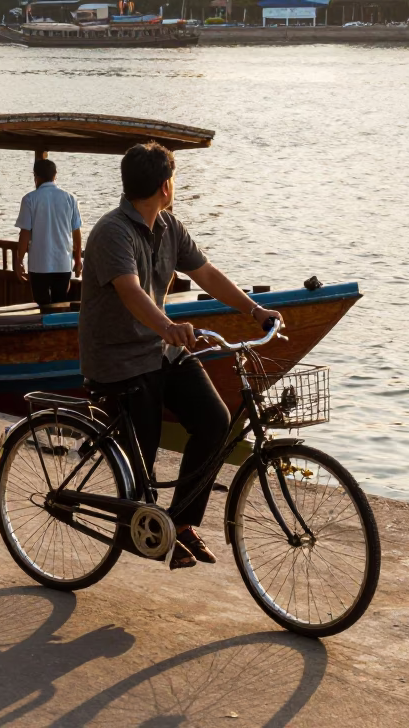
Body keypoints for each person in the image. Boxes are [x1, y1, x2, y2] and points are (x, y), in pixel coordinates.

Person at [79, 142, 284, 569]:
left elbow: (205, 273)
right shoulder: (112, 232)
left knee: (215, 421)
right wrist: (169, 327)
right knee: (144, 451)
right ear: (165, 185)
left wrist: (254, 311)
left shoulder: (169, 226)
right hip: (119, 359)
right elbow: (131, 292)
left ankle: (184, 523)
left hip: (162, 351)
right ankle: (132, 528)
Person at [15, 158, 82, 309]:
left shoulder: (29, 199)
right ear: (55, 175)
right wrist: (77, 261)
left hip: (39, 264)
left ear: (36, 176)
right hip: (63, 263)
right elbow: (76, 233)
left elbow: (25, 233)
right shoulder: (70, 198)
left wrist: (19, 260)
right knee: (60, 304)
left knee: (42, 306)